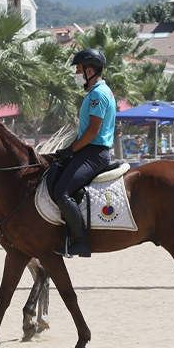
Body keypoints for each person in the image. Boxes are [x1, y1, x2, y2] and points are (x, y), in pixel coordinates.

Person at [53, 48, 116, 258]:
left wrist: (71, 150)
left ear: (90, 71)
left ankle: (81, 242)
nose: (76, 73)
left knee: (61, 193)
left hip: (93, 153)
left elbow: (92, 131)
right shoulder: (98, 91)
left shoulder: (98, 94)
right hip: (90, 151)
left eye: (79, 69)